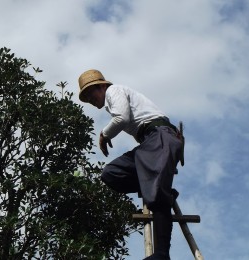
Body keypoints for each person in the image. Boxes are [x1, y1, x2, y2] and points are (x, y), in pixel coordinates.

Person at [78, 69, 184, 260]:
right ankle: (159, 188)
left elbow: (122, 119)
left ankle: (161, 254)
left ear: (102, 86)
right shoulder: (112, 99)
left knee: (157, 194)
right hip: (149, 142)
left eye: (90, 93)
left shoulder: (114, 91)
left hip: (159, 136)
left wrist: (104, 135)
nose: (90, 100)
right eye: (86, 97)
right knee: (111, 173)